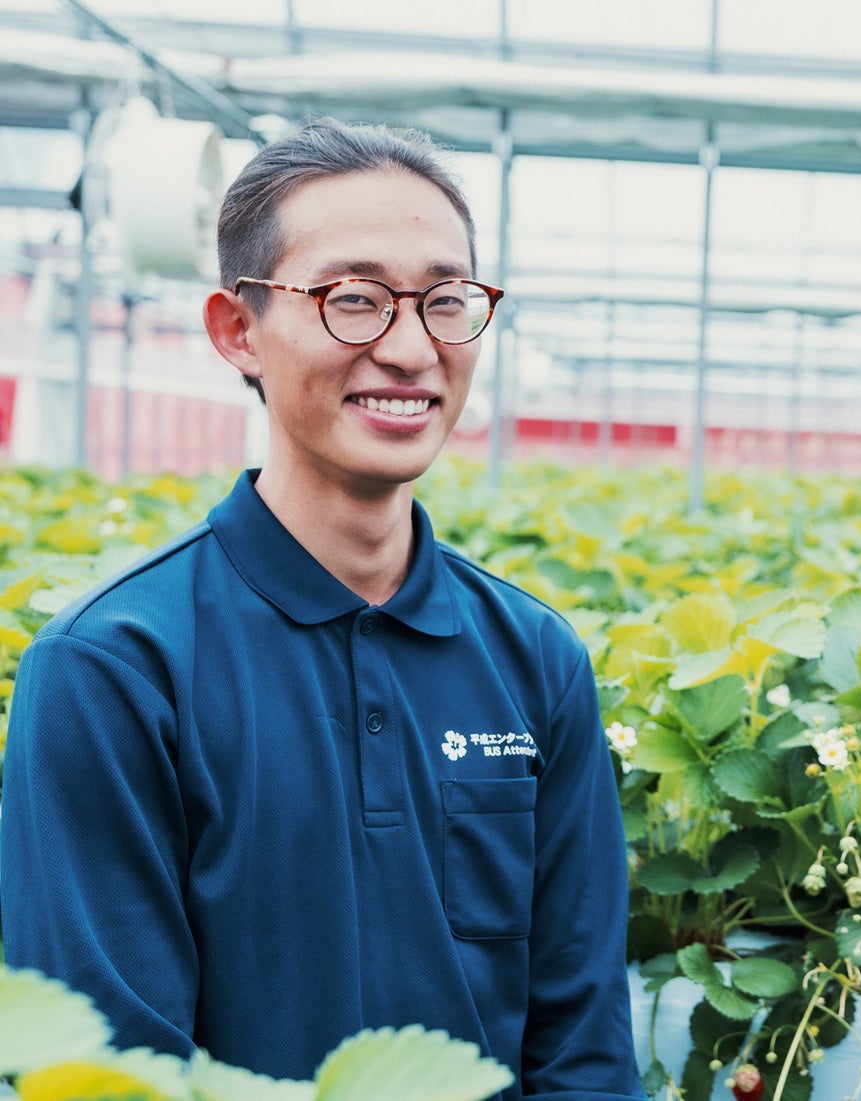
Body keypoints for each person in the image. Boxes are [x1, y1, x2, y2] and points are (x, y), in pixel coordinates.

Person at [1, 118, 644, 1100]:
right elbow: (108, 1068)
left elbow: (583, 1043)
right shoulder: (115, 667)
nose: (409, 347)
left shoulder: (533, 656)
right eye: (354, 299)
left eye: (444, 300)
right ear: (237, 329)